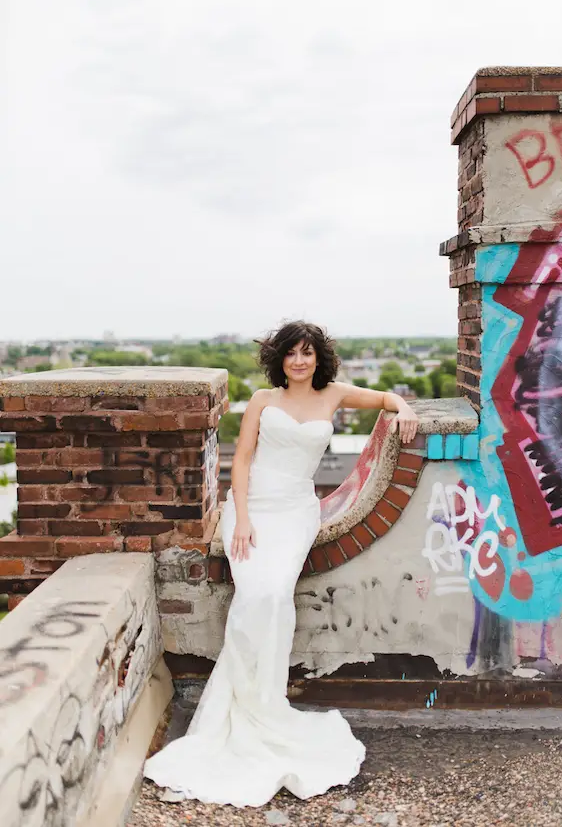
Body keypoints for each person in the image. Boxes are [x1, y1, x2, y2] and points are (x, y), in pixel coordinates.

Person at [144, 320, 419, 808]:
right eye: (291, 353)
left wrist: (404, 408)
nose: (299, 361)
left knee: (273, 593)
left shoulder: (333, 395)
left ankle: (265, 703)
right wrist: (242, 518)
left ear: (319, 358)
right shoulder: (262, 401)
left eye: (307, 353)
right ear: (280, 359)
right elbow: (243, 461)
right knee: (257, 592)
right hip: (253, 511)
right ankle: (245, 704)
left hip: (295, 513)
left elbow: (384, 399)